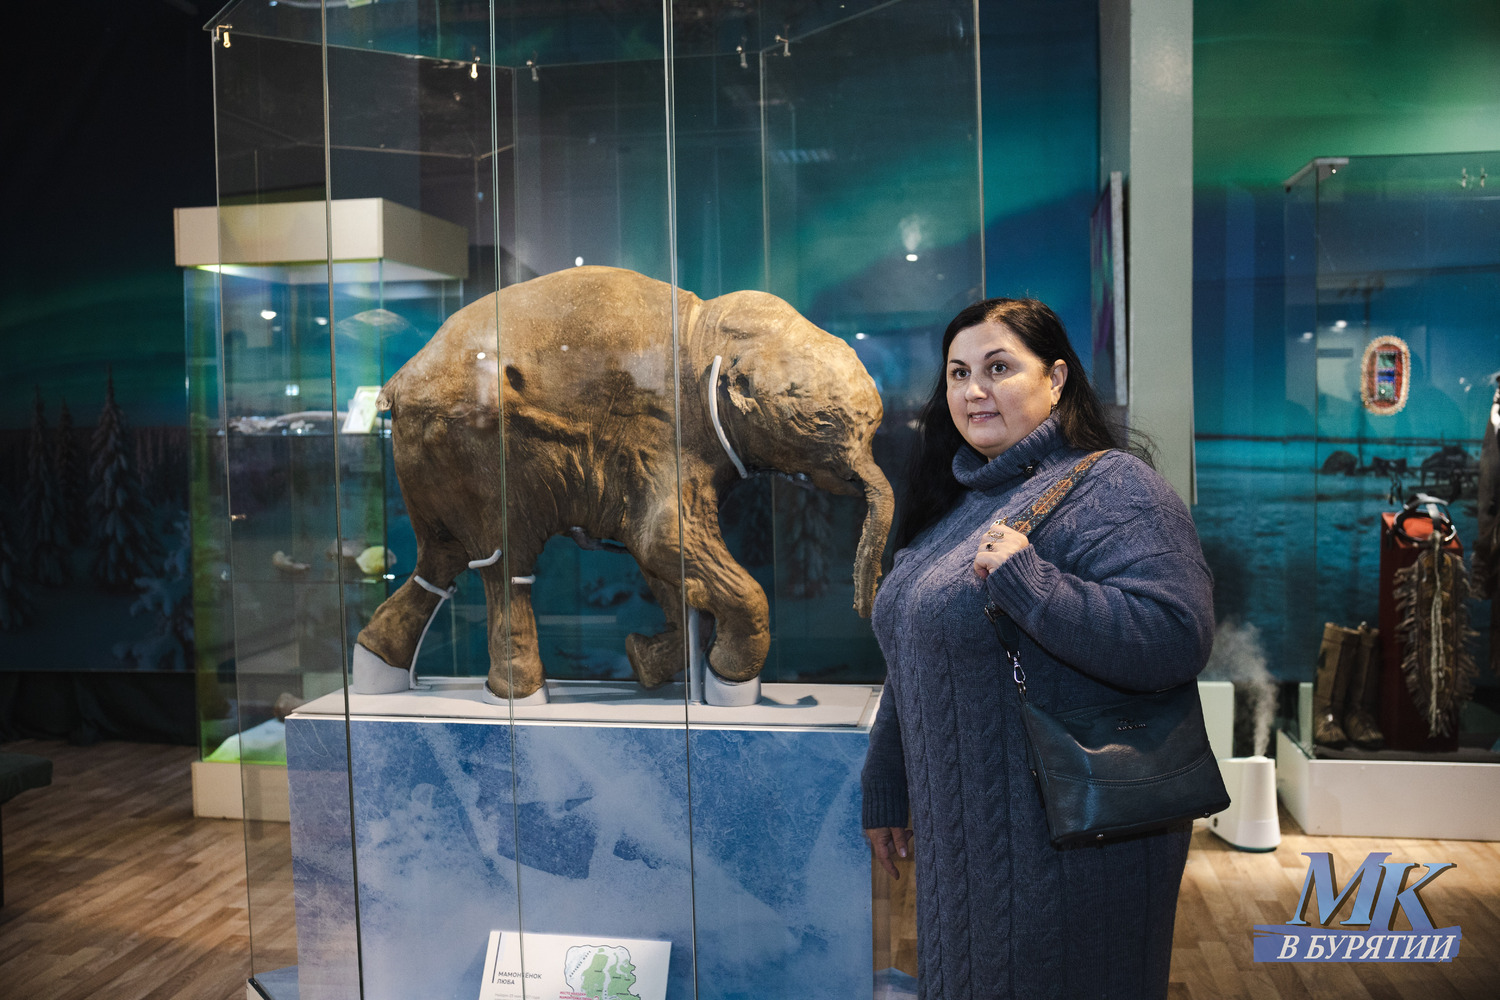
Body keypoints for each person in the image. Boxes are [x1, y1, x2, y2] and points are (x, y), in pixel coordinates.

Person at [861, 298, 1214, 1000]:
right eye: (958, 373)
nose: (973, 390)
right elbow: (915, 654)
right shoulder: (960, 501)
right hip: (966, 842)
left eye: (998, 368)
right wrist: (887, 779)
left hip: (1074, 847)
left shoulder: (1115, 486)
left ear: (1055, 378)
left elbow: (1177, 637)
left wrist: (1031, 586)